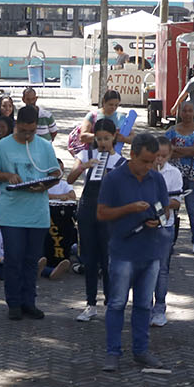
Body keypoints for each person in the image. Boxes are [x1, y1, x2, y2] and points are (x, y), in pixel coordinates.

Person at [98, 133, 168, 372]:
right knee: (117, 303)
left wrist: (157, 220)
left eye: (154, 161)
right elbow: (101, 213)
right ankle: (113, 352)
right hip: (123, 252)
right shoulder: (114, 179)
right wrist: (129, 209)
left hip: (151, 252)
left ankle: (141, 350)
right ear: (133, 155)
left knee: (143, 305)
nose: (150, 167)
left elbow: (163, 208)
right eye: (146, 161)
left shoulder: (156, 179)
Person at [0, 105, 61, 320]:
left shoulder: (45, 146)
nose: (28, 135)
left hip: (37, 212)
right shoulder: (3, 146)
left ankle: (30, 301)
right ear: (16, 125)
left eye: (32, 131)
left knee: (31, 259)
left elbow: (55, 172)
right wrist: (7, 176)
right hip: (12, 213)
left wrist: (46, 185)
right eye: (24, 131)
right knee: (14, 258)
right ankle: (14, 302)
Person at [68, 118, 123, 323]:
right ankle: (90, 304)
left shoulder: (120, 161)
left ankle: (110, 303)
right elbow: (70, 179)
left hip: (108, 212)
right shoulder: (85, 154)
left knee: (108, 259)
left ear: (114, 138)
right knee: (89, 259)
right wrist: (84, 167)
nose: (102, 143)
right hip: (88, 209)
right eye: (99, 138)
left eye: (106, 139)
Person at [151, 136, 183, 327]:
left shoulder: (174, 173)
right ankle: (144, 307)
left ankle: (160, 308)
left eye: (163, 156)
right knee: (146, 268)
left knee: (162, 269)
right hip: (147, 225)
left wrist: (162, 201)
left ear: (169, 155)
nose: (159, 160)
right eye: (156, 156)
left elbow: (176, 201)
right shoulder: (145, 171)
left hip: (165, 226)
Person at [167, 101, 194, 251]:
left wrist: (176, 150)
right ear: (179, 112)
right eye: (184, 111)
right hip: (175, 174)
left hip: (193, 174)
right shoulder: (171, 130)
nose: (187, 114)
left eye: (190, 111)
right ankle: (171, 240)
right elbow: (166, 149)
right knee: (172, 206)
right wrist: (187, 150)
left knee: (192, 207)